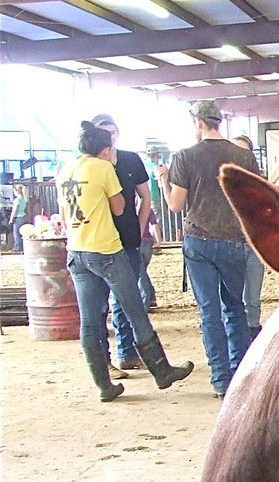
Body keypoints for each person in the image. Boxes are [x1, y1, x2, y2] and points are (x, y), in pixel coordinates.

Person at [58, 121, 192, 402]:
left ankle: (103, 385)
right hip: (105, 248)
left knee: (90, 321)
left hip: (77, 250)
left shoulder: (65, 170)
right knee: (134, 309)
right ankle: (161, 370)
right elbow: (119, 207)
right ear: (105, 149)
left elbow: (63, 214)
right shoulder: (103, 168)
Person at [159, 100, 260, 398]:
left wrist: (163, 180)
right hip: (233, 239)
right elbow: (254, 201)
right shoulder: (243, 156)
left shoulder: (185, 157)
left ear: (199, 122)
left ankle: (220, 380)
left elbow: (176, 205)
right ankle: (241, 373)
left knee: (209, 311)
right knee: (236, 308)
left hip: (199, 240)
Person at [91, 114, 153, 374]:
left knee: (127, 299)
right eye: (104, 134)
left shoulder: (130, 159)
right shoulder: (89, 166)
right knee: (99, 304)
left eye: (112, 132)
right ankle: (106, 361)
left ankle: (127, 352)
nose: (110, 138)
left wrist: (139, 230)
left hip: (127, 239)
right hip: (98, 241)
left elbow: (145, 198)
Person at [231, 134, 266, 338]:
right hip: (229, 243)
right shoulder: (220, 185)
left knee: (252, 297)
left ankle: (252, 333)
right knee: (232, 298)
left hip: (252, 244)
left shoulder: (259, 186)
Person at [139, 207, 161, 310]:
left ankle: (145, 301)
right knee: (142, 271)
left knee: (140, 273)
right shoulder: (148, 208)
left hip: (137, 243)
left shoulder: (130, 207)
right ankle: (151, 297)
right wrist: (158, 241)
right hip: (148, 243)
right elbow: (154, 225)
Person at [9, 183, 29, 253]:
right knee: (22, 233)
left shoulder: (16, 200)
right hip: (24, 216)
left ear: (16, 191)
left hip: (18, 218)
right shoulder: (24, 199)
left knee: (16, 233)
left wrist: (11, 219)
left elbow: (14, 211)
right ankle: (23, 247)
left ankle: (17, 247)